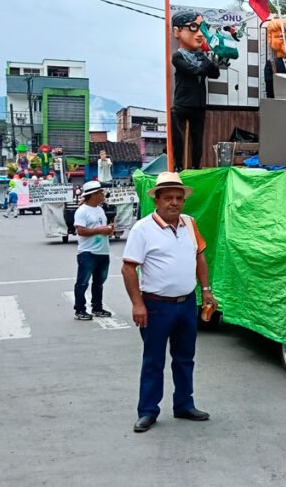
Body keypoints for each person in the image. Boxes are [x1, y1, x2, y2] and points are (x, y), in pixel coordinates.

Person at [122, 172, 217, 433]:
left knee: (185, 358)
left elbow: (200, 258)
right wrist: (137, 304)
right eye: (168, 198)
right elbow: (129, 269)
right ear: (157, 201)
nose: (174, 203)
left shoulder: (189, 223)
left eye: (178, 198)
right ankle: (148, 411)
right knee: (153, 360)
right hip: (156, 306)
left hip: (187, 303)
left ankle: (184, 405)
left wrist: (206, 291)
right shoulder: (142, 229)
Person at [171, 10, 222, 171]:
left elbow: (215, 73)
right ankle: (178, 165)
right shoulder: (178, 56)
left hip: (199, 104)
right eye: (193, 27)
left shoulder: (202, 57)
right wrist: (206, 64)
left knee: (198, 138)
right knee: (178, 137)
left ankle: (195, 166)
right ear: (177, 31)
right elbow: (194, 70)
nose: (200, 34)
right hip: (182, 103)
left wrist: (211, 60)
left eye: (203, 28)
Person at [72, 181, 114, 321]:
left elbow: (102, 229)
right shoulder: (82, 211)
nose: (103, 194)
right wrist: (101, 230)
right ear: (93, 194)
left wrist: (109, 230)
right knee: (82, 282)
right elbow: (81, 231)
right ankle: (80, 309)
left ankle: (97, 307)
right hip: (88, 252)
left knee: (99, 282)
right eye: (100, 192)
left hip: (103, 251)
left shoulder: (100, 210)